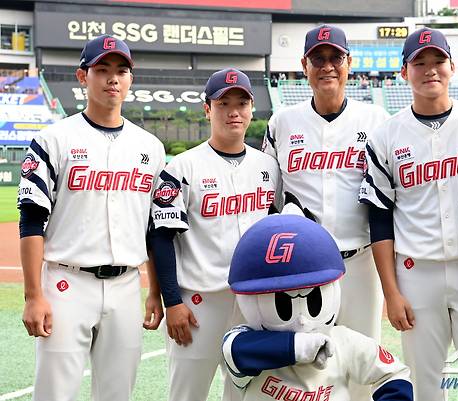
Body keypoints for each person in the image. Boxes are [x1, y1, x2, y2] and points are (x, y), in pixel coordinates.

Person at [358, 28, 458, 401]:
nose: (430, 70)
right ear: (404, 72)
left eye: (437, 61)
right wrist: (391, 293)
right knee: (427, 385)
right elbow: (379, 219)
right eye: (418, 63)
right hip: (416, 274)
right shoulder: (385, 136)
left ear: (452, 67)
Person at [18, 34, 165, 401]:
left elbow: (154, 229)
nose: (113, 78)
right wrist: (34, 295)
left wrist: (156, 292)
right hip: (67, 284)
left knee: (117, 394)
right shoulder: (54, 139)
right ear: (83, 77)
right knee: (55, 393)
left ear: (131, 79)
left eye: (121, 70)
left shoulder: (151, 147)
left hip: (127, 285)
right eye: (102, 70)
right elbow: (32, 221)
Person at [149, 68, 280, 401]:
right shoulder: (182, 167)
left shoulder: (268, 167)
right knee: (187, 394)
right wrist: (172, 301)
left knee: (248, 393)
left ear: (252, 109)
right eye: (223, 103)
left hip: (254, 302)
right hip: (198, 303)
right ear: (207, 109)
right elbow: (161, 238)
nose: (233, 111)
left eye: (241, 103)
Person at [263, 24, 388, 341]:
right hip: (302, 266)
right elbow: (268, 198)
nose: (327, 66)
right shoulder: (282, 122)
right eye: (318, 59)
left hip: (360, 261)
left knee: (363, 360)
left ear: (349, 63)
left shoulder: (376, 120)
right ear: (304, 66)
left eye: (336, 57)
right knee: (309, 366)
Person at [222, 212, 413, 401]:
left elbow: (394, 374)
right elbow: (235, 350)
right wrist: (300, 347)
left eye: (313, 302)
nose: (303, 320)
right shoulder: (250, 344)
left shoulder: (341, 341)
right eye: (282, 305)